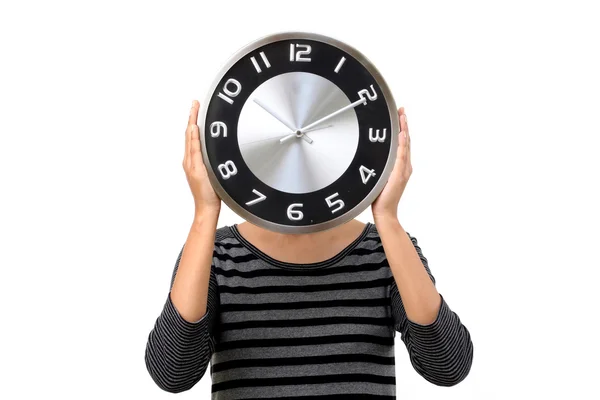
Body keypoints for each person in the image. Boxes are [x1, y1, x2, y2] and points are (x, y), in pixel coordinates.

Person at [145, 100, 474, 398]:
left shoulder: (386, 250)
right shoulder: (217, 254)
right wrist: (204, 212)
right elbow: (173, 373)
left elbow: (447, 366)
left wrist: (387, 217)